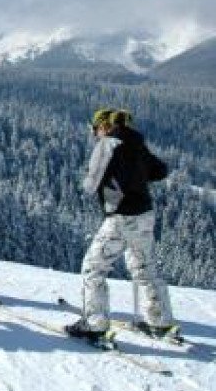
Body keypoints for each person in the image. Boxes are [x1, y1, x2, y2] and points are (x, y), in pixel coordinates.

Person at [65, 108, 174, 339]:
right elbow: (161, 170)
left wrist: (111, 197)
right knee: (144, 268)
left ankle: (94, 324)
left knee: (93, 267)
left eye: (95, 128)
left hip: (122, 217)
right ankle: (160, 322)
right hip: (145, 214)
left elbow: (91, 184)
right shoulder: (136, 142)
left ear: (104, 125)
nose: (95, 134)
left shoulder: (108, 144)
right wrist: (138, 177)